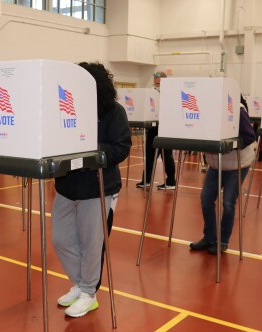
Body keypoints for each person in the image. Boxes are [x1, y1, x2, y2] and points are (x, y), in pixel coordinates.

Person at [52, 62, 132, 318]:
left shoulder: (113, 111)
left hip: (98, 187)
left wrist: (91, 151)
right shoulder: (66, 110)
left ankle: (88, 292)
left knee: (92, 243)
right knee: (61, 239)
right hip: (66, 185)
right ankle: (80, 282)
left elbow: (121, 147)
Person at [189, 96, 257, 255]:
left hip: (237, 164)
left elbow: (249, 136)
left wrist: (226, 145)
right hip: (216, 163)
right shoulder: (206, 109)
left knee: (228, 203)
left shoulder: (238, 109)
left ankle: (223, 241)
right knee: (206, 198)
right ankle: (209, 238)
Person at [136, 71, 176, 190]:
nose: (157, 85)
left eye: (159, 83)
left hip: (166, 128)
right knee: (149, 154)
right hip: (153, 127)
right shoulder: (152, 93)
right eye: (155, 83)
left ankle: (171, 182)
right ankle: (147, 180)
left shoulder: (170, 93)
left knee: (166, 155)